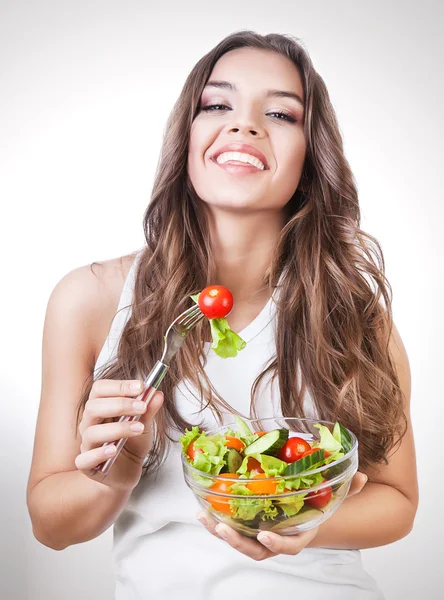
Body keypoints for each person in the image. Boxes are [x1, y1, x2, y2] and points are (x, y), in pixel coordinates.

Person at [27, 30, 418, 599]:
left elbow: (398, 502)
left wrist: (299, 520)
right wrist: (120, 470)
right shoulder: (89, 299)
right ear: (188, 135)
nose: (245, 124)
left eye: (281, 114)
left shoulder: (355, 314)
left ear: (312, 156)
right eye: (217, 105)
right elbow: (49, 524)